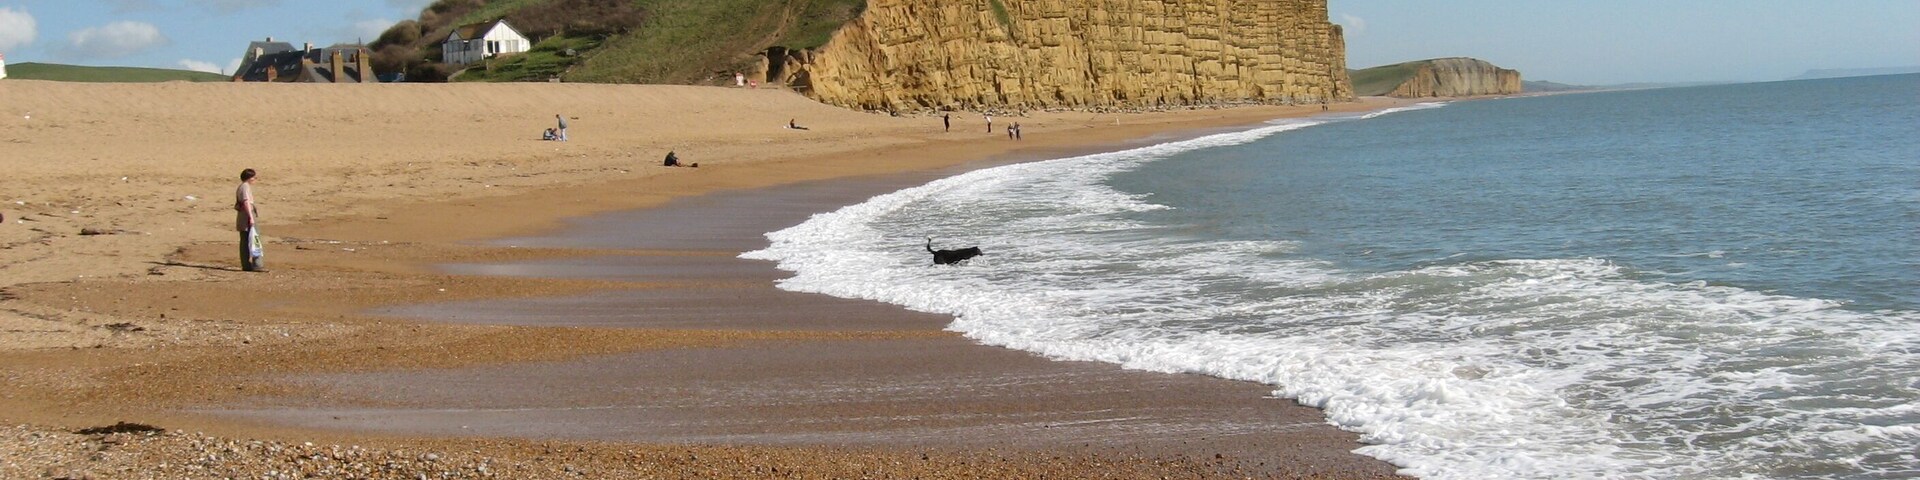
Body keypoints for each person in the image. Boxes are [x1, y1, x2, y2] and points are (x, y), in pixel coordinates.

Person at [235, 168, 264, 272]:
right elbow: (246, 202)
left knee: (245, 240)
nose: (255, 179)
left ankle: (246, 264)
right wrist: (251, 218)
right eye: (254, 177)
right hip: (247, 216)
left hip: (243, 217)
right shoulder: (245, 187)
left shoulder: (242, 187)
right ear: (249, 178)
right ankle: (257, 264)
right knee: (255, 239)